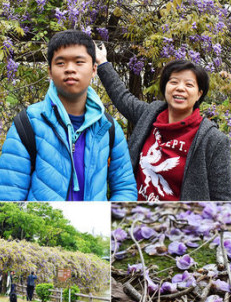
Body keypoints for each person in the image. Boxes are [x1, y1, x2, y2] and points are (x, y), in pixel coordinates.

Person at [0, 30, 137, 201]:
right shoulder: (27, 123)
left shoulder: (108, 128)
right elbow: (9, 196)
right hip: (44, 226)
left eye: (79, 62)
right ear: (50, 71)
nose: (70, 69)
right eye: (61, 63)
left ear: (94, 69)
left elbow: (125, 188)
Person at [95, 43, 231, 201]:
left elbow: (222, 199)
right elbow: (122, 97)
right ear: (165, 87)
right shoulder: (149, 116)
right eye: (174, 82)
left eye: (189, 84)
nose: (180, 88)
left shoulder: (213, 140)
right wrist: (102, 62)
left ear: (199, 94)